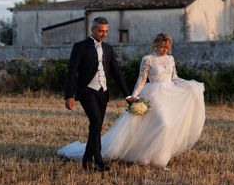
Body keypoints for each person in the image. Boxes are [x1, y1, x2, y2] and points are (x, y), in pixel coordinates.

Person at [58, 33, 205, 168]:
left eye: (167, 47)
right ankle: (146, 155)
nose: (164, 50)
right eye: (161, 46)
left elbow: (174, 78)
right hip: (154, 94)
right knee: (164, 124)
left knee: (169, 126)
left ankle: (158, 157)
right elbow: (141, 80)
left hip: (170, 93)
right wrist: (132, 97)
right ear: (155, 45)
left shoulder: (171, 59)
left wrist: (189, 85)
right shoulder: (147, 59)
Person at [63, 16, 130, 172]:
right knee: (96, 121)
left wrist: (127, 95)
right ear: (92, 30)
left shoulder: (108, 48)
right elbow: (72, 72)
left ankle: (87, 158)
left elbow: (117, 73)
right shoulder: (80, 47)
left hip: (103, 92)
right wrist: (69, 95)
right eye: (100, 30)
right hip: (87, 91)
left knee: (96, 126)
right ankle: (98, 161)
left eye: (106, 31)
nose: (104, 34)